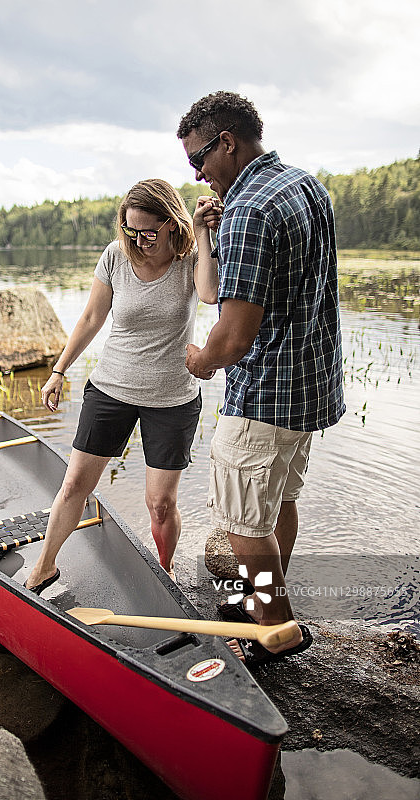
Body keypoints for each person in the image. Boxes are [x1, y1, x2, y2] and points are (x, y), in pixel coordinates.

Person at [177, 91, 345, 667]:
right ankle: (265, 602)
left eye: (198, 159)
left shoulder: (249, 209)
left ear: (228, 142)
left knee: (241, 522)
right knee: (278, 504)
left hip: (263, 395)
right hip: (308, 389)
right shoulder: (305, 186)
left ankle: (275, 630)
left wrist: (200, 361)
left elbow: (234, 337)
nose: (197, 173)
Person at [24, 178, 220, 594]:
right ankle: (43, 567)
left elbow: (209, 293)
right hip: (111, 389)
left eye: (149, 230)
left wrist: (203, 234)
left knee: (160, 505)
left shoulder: (190, 258)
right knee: (76, 484)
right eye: (131, 230)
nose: (140, 239)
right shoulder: (115, 256)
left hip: (172, 399)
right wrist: (59, 370)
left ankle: (164, 571)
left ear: (171, 222)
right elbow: (92, 319)